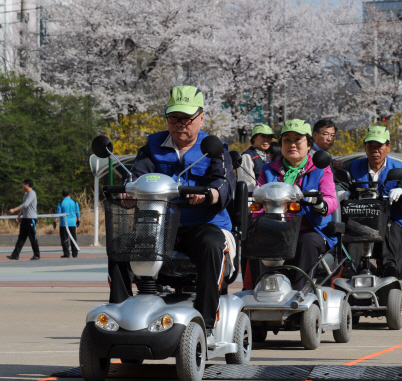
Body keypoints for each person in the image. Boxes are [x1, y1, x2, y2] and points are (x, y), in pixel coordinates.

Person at [109, 85, 236, 349]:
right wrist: (128, 192)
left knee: (212, 245)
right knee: (121, 244)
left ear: (201, 117)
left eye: (186, 119)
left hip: (204, 226)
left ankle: (206, 324)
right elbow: (135, 176)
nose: (179, 125)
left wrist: (209, 195)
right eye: (173, 118)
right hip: (160, 226)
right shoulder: (152, 146)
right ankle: (120, 314)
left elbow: (224, 184)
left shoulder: (214, 148)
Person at [257, 119, 338, 290]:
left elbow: (331, 199)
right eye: (287, 140)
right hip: (276, 228)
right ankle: (260, 290)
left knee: (306, 242)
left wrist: (319, 204)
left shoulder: (320, 168)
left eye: (297, 140)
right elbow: (257, 197)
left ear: (309, 144)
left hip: (311, 230)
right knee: (257, 238)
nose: (292, 144)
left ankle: (300, 293)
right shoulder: (268, 170)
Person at [347, 126, 402, 279]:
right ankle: (351, 267)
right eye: (370, 146)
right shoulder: (353, 167)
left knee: (389, 227)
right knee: (353, 229)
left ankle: (389, 268)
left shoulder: (400, 169)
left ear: (388, 147)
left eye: (379, 146)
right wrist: (341, 191)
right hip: (361, 218)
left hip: (392, 219)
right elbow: (340, 182)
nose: (374, 150)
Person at [237, 124, 277, 192]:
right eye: (263, 136)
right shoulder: (247, 156)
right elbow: (248, 187)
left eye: (269, 137)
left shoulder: (267, 157)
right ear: (254, 138)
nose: (266, 140)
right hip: (254, 201)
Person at [7, 179, 40, 261]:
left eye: (23, 184)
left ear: (27, 185)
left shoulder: (32, 193)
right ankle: (15, 254)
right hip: (25, 219)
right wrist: (19, 216)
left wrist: (14, 210)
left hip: (31, 219)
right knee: (21, 237)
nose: (22, 186)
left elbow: (25, 204)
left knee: (32, 237)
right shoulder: (25, 194)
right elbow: (23, 208)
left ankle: (36, 255)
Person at [53, 189, 81, 258]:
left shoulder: (61, 202)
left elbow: (58, 212)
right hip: (72, 223)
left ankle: (66, 253)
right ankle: (75, 253)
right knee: (73, 238)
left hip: (63, 224)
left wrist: (55, 221)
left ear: (62, 195)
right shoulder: (74, 202)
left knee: (64, 239)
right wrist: (78, 220)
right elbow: (77, 212)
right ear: (70, 194)